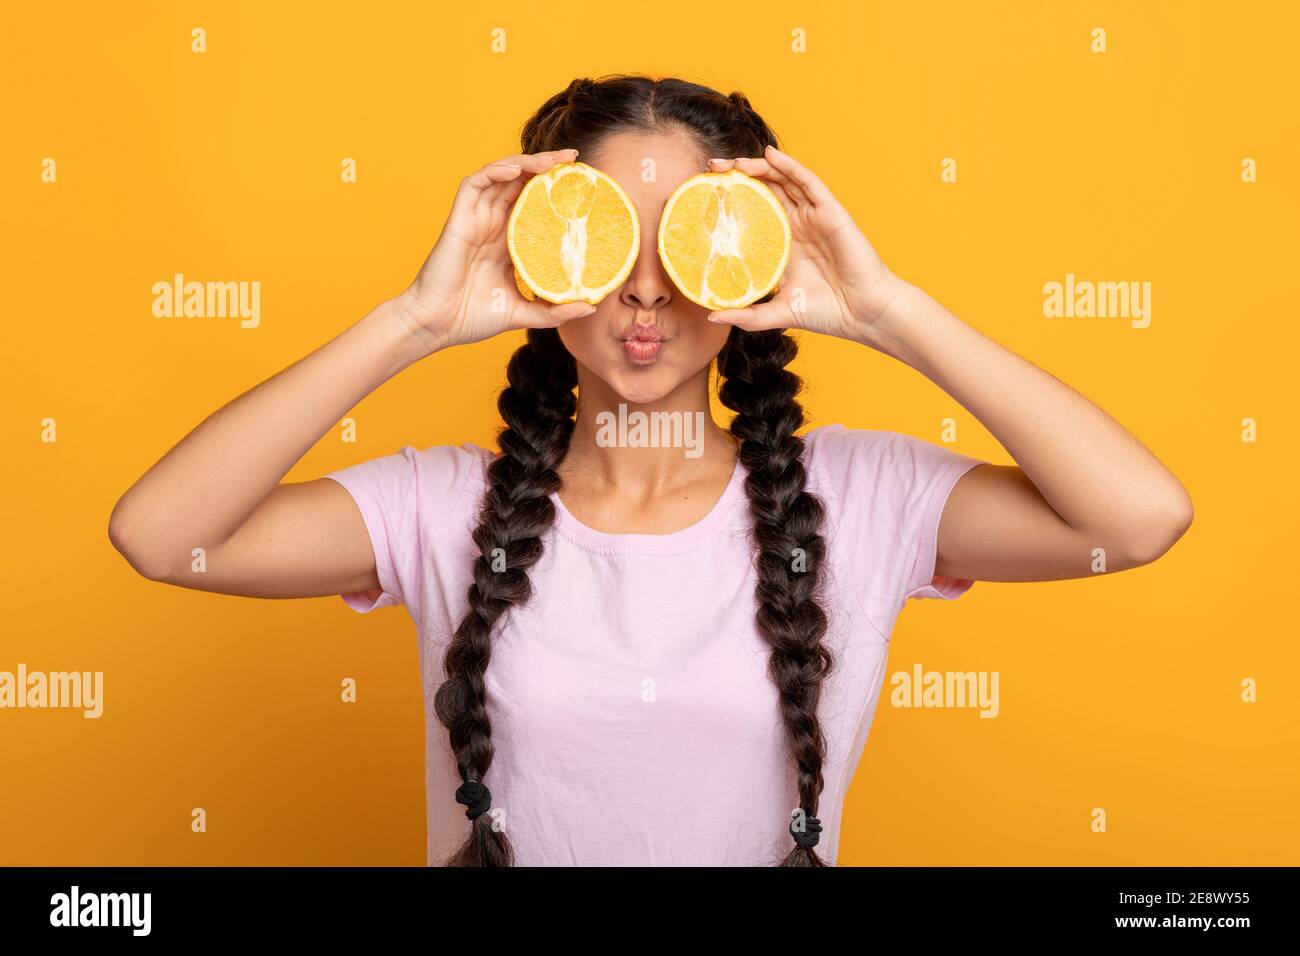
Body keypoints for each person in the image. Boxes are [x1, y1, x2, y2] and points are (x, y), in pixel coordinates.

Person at [108, 75, 1193, 866]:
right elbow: (161, 535)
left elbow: (1139, 516)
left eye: (686, 240)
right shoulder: (443, 507)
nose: (642, 290)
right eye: (602, 241)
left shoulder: (855, 499)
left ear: (751, 259)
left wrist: (885, 310)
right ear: (540, 255)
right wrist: (413, 320)